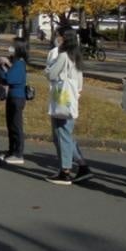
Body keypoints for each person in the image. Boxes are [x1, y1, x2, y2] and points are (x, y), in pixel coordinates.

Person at [45, 30, 92, 185]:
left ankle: (65, 170)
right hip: (71, 99)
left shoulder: (63, 56)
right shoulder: (76, 57)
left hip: (61, 99)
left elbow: (51, 74)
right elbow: (79, 81)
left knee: (61, 134)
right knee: (65, 134)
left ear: (63, 40)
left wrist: (48, 68)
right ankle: (80, 165)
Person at [0, 38, 28, 164]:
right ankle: (12, 151)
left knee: (16, 126)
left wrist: (0, 69)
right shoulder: (15, 63)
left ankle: (18, 153)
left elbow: (9, 78)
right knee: (11, 125)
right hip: (12, 96)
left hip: (17, 97)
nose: (10, 48)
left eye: (13, 46)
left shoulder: (20, 64)